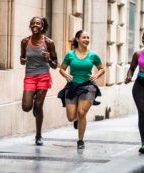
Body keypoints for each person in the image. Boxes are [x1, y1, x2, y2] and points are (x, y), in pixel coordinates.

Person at [59, 30, 105, 149]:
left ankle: (80, 140)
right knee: (71, 117)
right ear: (78, 39)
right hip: (72, 86)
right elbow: (62, 68)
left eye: (88, 38)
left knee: (81, 112)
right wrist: (65, 75)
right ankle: (77, 121)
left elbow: (101, 68)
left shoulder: (93, 55)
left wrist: (96, 75)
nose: (86, 40)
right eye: (84, 37)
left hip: (88, 86)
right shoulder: (70, 54)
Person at [20, 16, 58, 146]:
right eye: (33, 23)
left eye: (38, 23)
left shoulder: (49, 42)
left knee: (38, 106)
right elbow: (22, 59)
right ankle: (34, 99)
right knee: (26, 107)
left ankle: (38, 135)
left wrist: (49, 60)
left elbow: (55, 65)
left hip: (43, 76)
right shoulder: (25, 42)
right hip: (30, 76)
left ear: (42, 26)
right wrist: (23, 61)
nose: (35, 25)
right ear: (30, 26)